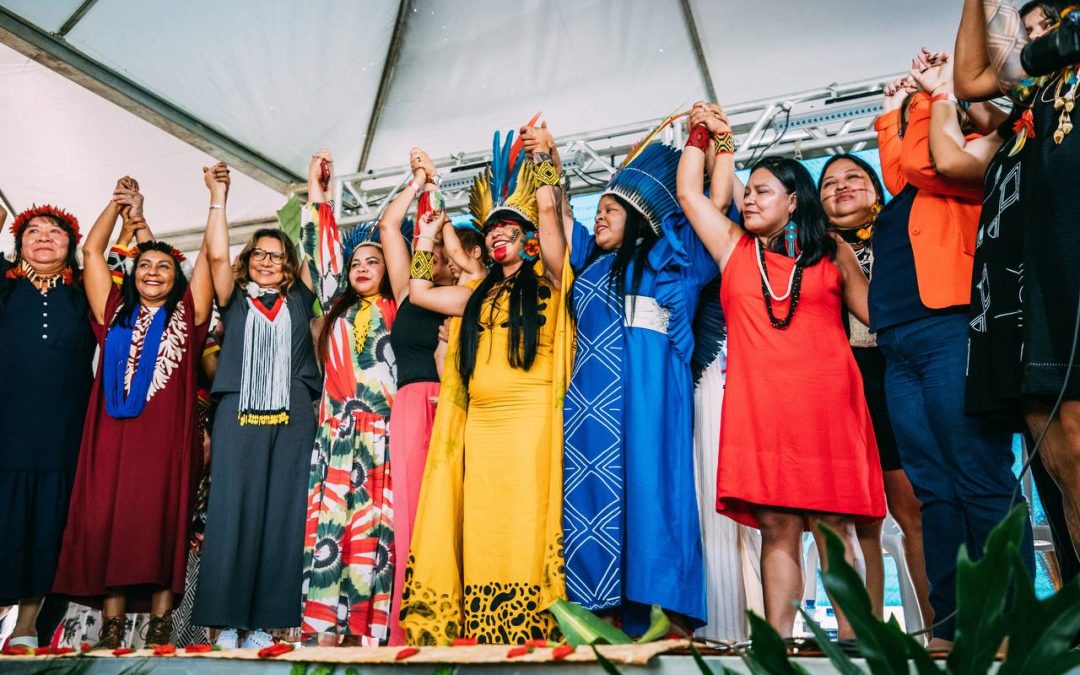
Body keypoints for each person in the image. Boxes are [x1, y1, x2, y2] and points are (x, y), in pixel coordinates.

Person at [677, 103, 886, 640]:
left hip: (829, 406)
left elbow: (876, 313)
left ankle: (855, 643)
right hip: (761, 408)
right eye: (748, 191)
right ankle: (777, 646)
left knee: (834, 526)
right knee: (777, 526)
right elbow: (690, 195)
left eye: (762, 191)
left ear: (794, 202)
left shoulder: (831, 251)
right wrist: (704, 135)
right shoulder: (732, 248)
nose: (749, 198)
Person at [522, 121, 714, 634]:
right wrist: (545, 159)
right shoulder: (584, 265)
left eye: (611, 209)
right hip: (590, 405)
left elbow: (706, 205)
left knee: (655, 499)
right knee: (591, 506)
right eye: (598, 210)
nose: (600, 216)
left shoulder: (670, 259)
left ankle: (665, 620)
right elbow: (554, 214)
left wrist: (703, 141)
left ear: (641, 216)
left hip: (651, 397)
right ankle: (601, 620)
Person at [873, 51, 1033, 647]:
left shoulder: (978, 156)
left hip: (951, 327)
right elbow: (899, 169)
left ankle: (1009, 620)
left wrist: (935, 94)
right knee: (933, 489)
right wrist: (893, 110)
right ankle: (951, 623)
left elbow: (923, 162)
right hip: (899, 344)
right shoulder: (910, 185)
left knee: (979, 475)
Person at [399, 128, 571, 644]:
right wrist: (425, 240)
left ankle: (533, 631)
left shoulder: (552, 279)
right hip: (482, 428)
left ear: (529, 237)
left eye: (508, 228)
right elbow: (420, 293)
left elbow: (550, 212)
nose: (497, 235)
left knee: (528, 520)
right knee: (483, 523)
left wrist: (544, 158)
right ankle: (487, 634)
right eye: (491, 228)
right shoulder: (476, 293)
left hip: (532, 423)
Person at [51, 177, 213, 649]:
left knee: (164, 520)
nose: (154, 272)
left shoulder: (188, 316)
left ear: (176, 278)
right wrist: (116, 203)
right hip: (112, 436)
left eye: (164, 267)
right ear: (132, 273)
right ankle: (113, 626)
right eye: (145, 265)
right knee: (112, 520)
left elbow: (209, 259)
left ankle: (161, 625)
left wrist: (213, 200)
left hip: (168, 439)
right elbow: (91, 252)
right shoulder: (113, 312)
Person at [956, 0, 1080, 578]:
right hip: (1038, 278)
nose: (1034, 35)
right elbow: (971, 80)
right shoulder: (1038, 89)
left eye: (1042, 25)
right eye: (1026, 28)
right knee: (1059, 456)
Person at [192, 163, 321, 649]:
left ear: (288, 265)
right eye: (260, 254)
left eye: (277, 256)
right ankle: (225, 622)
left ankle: (267, 625)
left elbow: (314, 246)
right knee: (232, 510)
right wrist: (218, 195)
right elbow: (216, 253)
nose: (267, 261)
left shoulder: (301, 298)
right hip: (239, 415)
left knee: (282, 515)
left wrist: (316, 192)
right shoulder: (234, 299)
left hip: (293, 416)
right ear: (249, 260)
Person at [817, 153, 934, 631]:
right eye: (829, 183)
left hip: (895, 373)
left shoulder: (904, 234)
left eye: (854, 177)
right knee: (855, 519)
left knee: (913, 509)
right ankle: (861, 640)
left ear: (876, 186)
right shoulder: (811, 249)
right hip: (836, 383)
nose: (841, 187)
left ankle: (937, 633)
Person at [298, 149, 410, 644]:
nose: (362, 268)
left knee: (373, 533)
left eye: (373, 261)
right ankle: (327, 630)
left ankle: (368, 634)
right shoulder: (336, 305)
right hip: (337, 435)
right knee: (331, 530)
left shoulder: (401, 304)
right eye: (356, 262)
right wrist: (317, 189)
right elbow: (321, 250)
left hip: (382, 436)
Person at [0, 200, 95, 650]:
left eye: (55, 232)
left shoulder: (85, 291)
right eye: (33, 231)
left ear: (70, 245)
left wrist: (128, 215)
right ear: (18, 244)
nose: (43, 237)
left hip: (63, 432)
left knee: (48, 525)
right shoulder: (3, 284)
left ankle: (27, 628)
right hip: (6, 428)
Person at [378, 148, 458, 645]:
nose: (439, 259)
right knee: (409, 511)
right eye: (436, 252)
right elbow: (390, 227)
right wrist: (421, 182)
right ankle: (411, 627)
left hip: (450, 404)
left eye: (448, 253)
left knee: (446, 510)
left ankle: (450, 619)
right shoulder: (411, 292)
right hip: (410, 405)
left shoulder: (468, 296)